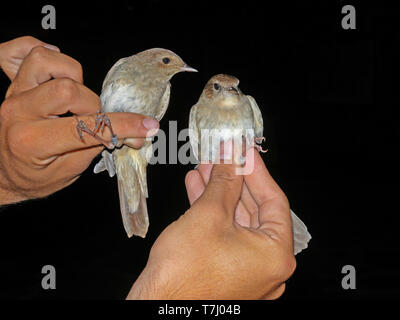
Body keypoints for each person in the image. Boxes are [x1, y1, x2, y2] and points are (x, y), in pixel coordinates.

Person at [0, 36, 296, 299]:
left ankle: (135, 201)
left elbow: (147, 132)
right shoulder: (125, 66)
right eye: (169, 62)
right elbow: (105, 112)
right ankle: (133, 204)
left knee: (140, 176)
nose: (176, 68)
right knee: (134, 179)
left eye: (179, 66)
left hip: (135, 147)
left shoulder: (165, 90)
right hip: (116, 142)